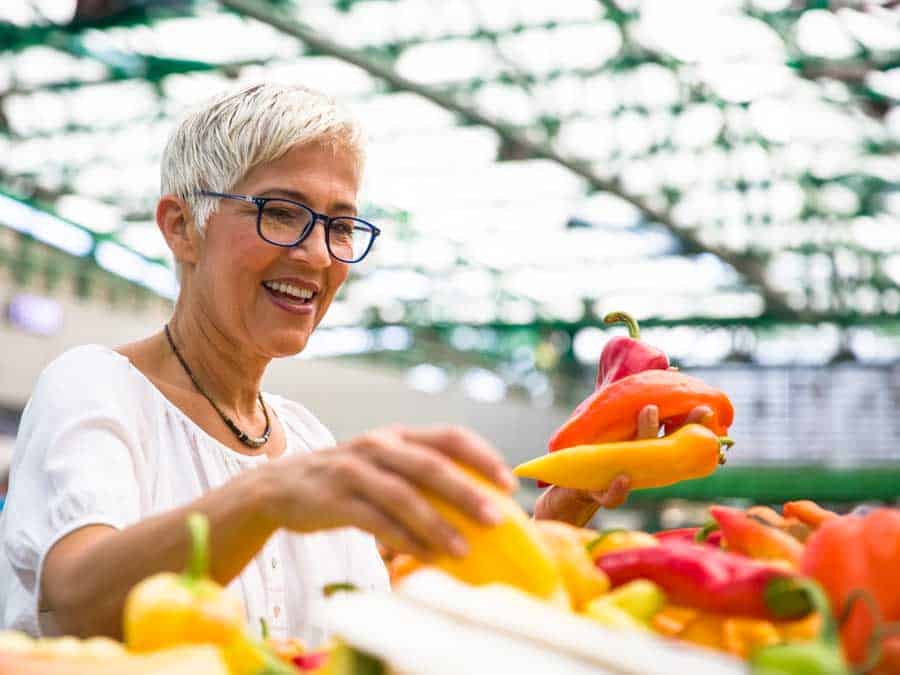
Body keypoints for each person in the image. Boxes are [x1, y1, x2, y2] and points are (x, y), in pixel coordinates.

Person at [0, 83, 710, 645]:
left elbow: (394, 628)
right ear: (182, 226)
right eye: (282, 211)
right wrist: (267, 496)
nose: (316, 255)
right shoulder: (96, 387)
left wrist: (560, 511)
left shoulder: (307, 441)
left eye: (341, 225)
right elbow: (77, 597)